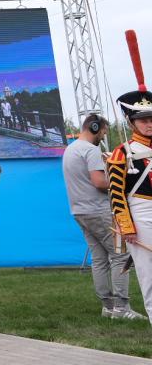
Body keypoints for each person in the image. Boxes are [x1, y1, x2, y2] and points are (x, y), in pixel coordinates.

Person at [64, 113, 141, 319]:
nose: (104, 137)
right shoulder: (90, 150)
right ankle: (122, 309)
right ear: (95, 127)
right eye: (104, 132)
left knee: (99, 259)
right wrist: (121, 181)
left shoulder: (70, 149)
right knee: (121, 255)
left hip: (80, 211)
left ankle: (107, 307)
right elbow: (99, 182)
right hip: (98, 210)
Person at [108, 32, 152, 327]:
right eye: (143, 120)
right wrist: (127, 226)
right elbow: (116, 194)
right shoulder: (122, 153)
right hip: (141, 214)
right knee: (149, 274)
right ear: (131, 122)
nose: (149, 124)